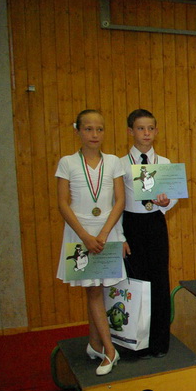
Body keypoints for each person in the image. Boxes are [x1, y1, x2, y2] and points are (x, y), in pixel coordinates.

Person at [56, 110, 126, 376]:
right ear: (77, 131)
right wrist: (85, 236)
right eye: (88, 129)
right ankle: (110, 350)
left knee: (98, 290)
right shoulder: (67, 163)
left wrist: (105, 233)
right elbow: (63, 203)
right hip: (80, 233)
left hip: (107, 232)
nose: (94, 134)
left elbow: (119, 200)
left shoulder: (113, 162)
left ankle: (95, 343)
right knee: (92, 290)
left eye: (99, 129)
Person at [121, 109, 177, 358]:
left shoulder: (163, 163)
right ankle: (136, 343)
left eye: (150, 128)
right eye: (140, 128)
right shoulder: (121, 164)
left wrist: (166, 202)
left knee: (159, 280)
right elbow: (116, 202)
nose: (146, 133)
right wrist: (120, 236)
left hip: (155, 222)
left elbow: (173, 196)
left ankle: (159, 342)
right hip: (130, 224)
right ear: (130, 131)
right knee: (136, 281)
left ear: (156, 131)